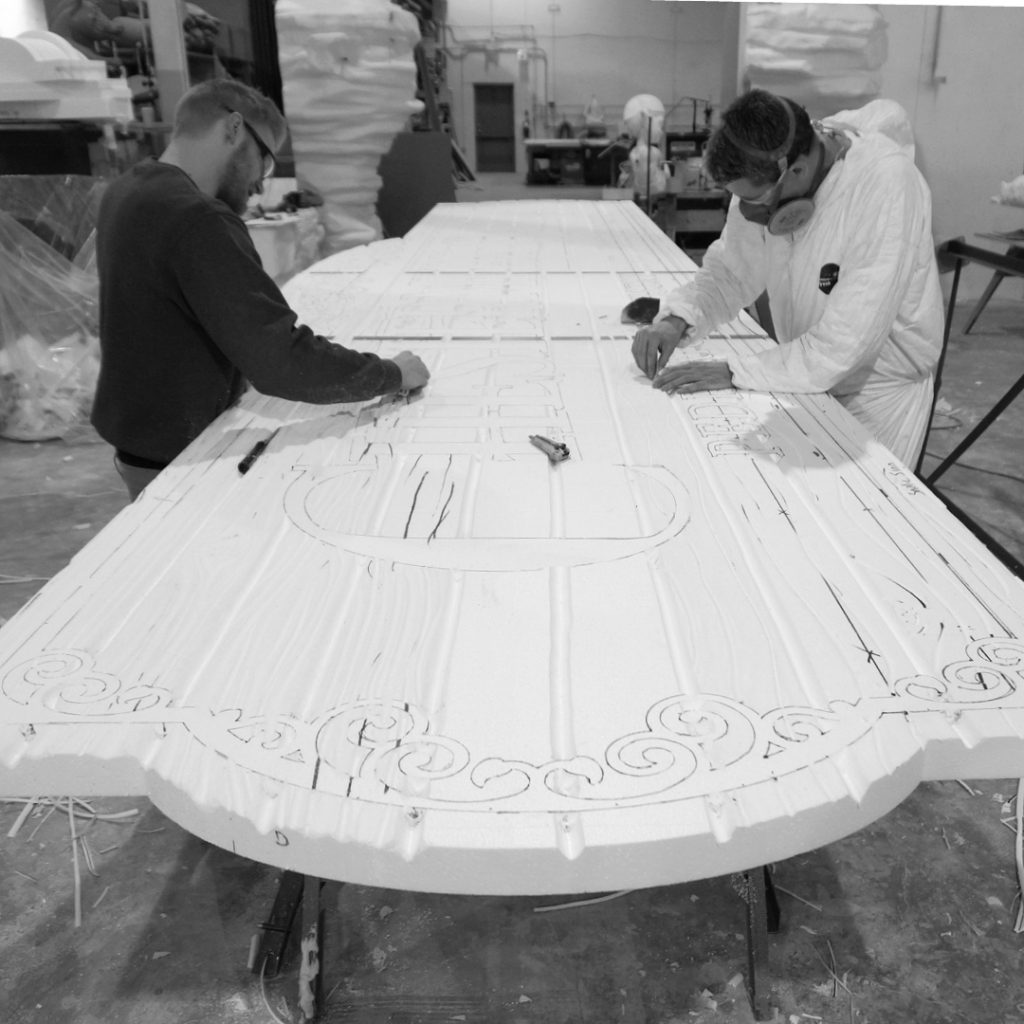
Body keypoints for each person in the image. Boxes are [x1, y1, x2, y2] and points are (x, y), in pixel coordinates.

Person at [92, 79, 429, 499]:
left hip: (138, 437)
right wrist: (392, 373)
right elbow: (280, 361)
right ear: (233, 128)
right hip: (181, 460)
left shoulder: (128, 189)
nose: (258, 184)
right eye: (264, 159)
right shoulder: (197, 218)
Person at [631, 89, 944, 468]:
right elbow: (732, 271)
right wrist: (677, 319)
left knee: (857, 502)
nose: (752, 215)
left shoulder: (884, 185)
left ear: (795, 170)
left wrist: (735, 371)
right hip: (803, 378)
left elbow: (842, 345)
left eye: (757, 202)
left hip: (876, 394)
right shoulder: (765, 170)